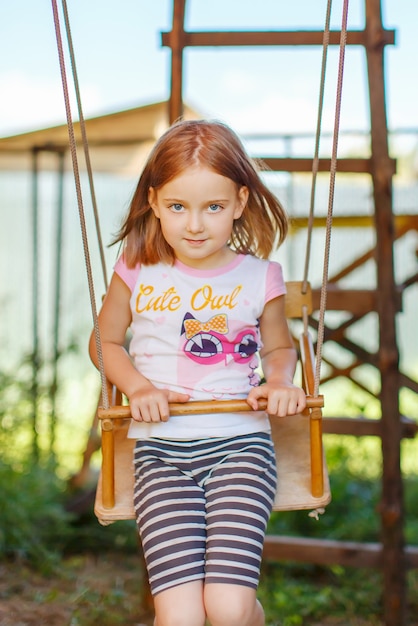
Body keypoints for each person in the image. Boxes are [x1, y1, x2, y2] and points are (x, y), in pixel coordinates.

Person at [89, 119, 306, 626]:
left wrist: (278, 382)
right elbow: (106, 341)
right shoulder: (137, 268)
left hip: (240, 449)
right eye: (177, 207)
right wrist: (137, 386)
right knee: (180, 617)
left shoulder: (260, 276)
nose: (194, 225)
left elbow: (279, 346)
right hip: (161, 456)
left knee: (228, 610)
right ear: (153, 202)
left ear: (240, 202)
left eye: (213, 207)